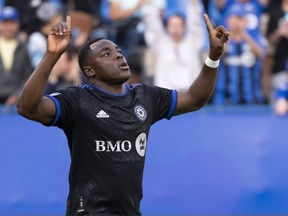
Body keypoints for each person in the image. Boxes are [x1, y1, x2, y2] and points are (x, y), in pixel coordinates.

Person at [17, 15, 230, 216]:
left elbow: (195, 98)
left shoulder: (146, 97)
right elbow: (27, 107)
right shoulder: (76, 100)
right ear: (90, 71)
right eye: (106, 54)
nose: (118, 55)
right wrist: (52, 55)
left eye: (118, 50)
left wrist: (213, 57)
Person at [142, 0, 208, 91]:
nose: (175, 28)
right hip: (166, 94)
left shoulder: (193, 42)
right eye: (172, 24)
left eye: (179, 24)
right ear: (167, 26)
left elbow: (195, 23)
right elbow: (152, 25)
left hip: (190, 93)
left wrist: (194, 4)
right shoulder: (160, 43)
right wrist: (148, 6)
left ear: (184, 26)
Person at [0, 6, 33, 105]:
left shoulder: (24, 47)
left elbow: (28, 75)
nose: (8, 27)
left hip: (16, 100)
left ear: (18, 24)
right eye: (5, 23)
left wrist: (18, 94)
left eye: (12, 23)